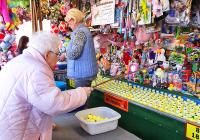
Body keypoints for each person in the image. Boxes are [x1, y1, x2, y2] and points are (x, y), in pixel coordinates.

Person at [0, 31, 93, 140]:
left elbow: (36, 99)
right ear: (47, 54)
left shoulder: (17, 61)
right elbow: (54, 103)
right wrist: (81, 93)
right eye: (57, 54)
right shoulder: (37, 70)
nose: (58, 58)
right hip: (19, 133)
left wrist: (45, 122)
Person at [59, 8, 98, 88]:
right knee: (84, 98)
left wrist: (64, 55)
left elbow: (75, 53)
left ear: (73, 19)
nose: (68, 25)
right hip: (85, 72)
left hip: (82, 74)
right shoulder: (84, 30)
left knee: (82, 99)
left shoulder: (79, 32)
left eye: (68, 22)